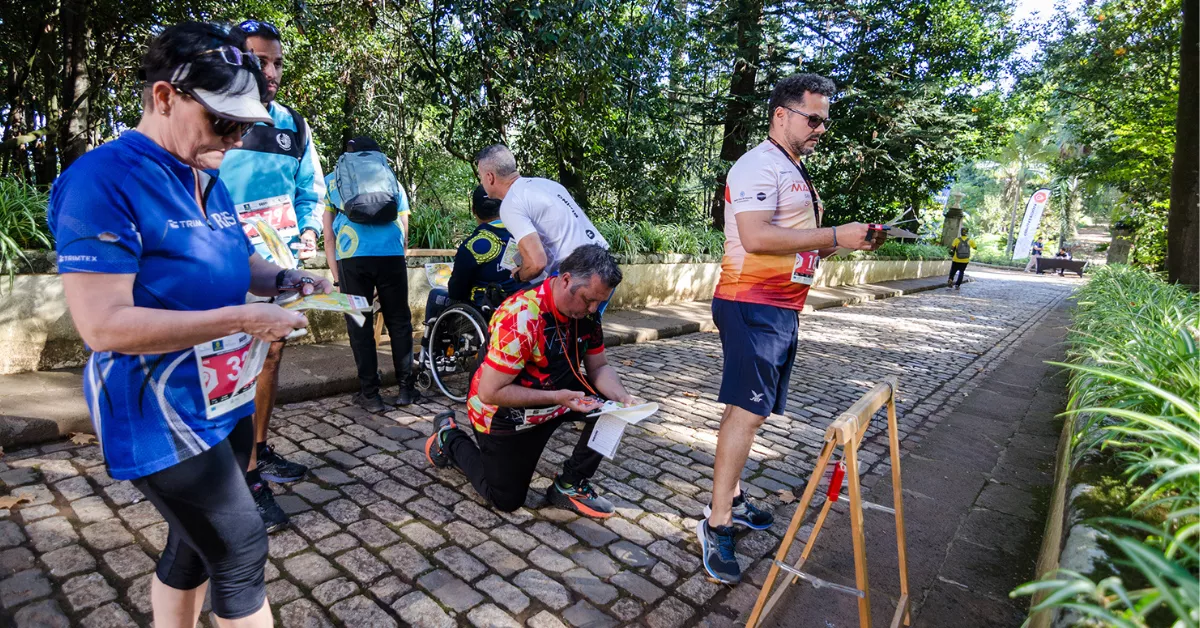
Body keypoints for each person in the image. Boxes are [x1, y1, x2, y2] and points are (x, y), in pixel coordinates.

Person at [48, 22, 333, 626]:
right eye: (221, 123)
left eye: (242, 126)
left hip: (221, 396)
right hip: (156, 404)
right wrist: (241, 317)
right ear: (163, 98)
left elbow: (236, 260)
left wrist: (284, 281)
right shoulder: (102, 181)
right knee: (242, 548)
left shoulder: (204, 171)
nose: (233, 139)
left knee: (192, 548)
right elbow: (103, 326)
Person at [700, 73, 886, 584]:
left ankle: (733, 497)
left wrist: (841, 242)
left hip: (779, 306)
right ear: (781, 113)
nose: (821, 128)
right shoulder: (759, 162)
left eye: (824, 119)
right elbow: (757, 237)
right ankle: (717, 521)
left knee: (751, 409)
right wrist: (834, 232)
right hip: (750, 302)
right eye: (814, 117)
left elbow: (792, 240)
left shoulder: (791, 167)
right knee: (748, 411)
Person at [423, 245, 637, 518]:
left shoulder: (587, 313)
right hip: (504, 412)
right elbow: (491, 392)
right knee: (506, 500)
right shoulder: (521, 315)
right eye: (587, 300)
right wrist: (557, 397)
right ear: (567, 279)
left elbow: (599, 367)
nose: (593, 309)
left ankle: (570, 484)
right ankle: (449, 437)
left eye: (599, 302)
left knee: (613, 410)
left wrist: (622, 397)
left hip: (559, 396)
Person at [218, 18, 326, 531]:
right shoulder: (213, 119)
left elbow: (310, 192)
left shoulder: (293, 126)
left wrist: (304, 234)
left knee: (271, 352)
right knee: (227, 359)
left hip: (277, 264)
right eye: (260, 60)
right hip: (221, 264)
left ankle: (257, 449)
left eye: (278, 61)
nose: (272, 71)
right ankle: (235, 473)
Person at [322, 136, 415, 412]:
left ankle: (371, 395)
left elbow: (328, 236)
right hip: (391, 256)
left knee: (359, 323)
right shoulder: (391, 180)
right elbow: (405, 232)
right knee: (399, 321)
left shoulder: (333, 179)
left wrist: (337, 277)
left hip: (353, 257)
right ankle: (406, 390)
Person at [475, 144, 608, 285]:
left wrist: (519, 275)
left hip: (579, 276)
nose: (481, 182)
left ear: (490, 177)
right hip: (605, 266)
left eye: (481, 177)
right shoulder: (547, 184)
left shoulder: (511, 203)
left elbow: (536, 264)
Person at [446, 185, 524, 315]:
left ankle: (428, 336)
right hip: (516, 305)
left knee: (435, 295)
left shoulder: (472, 245)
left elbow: (456, 291)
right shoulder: (523, 237)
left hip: (482, 309)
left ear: (473, 210)